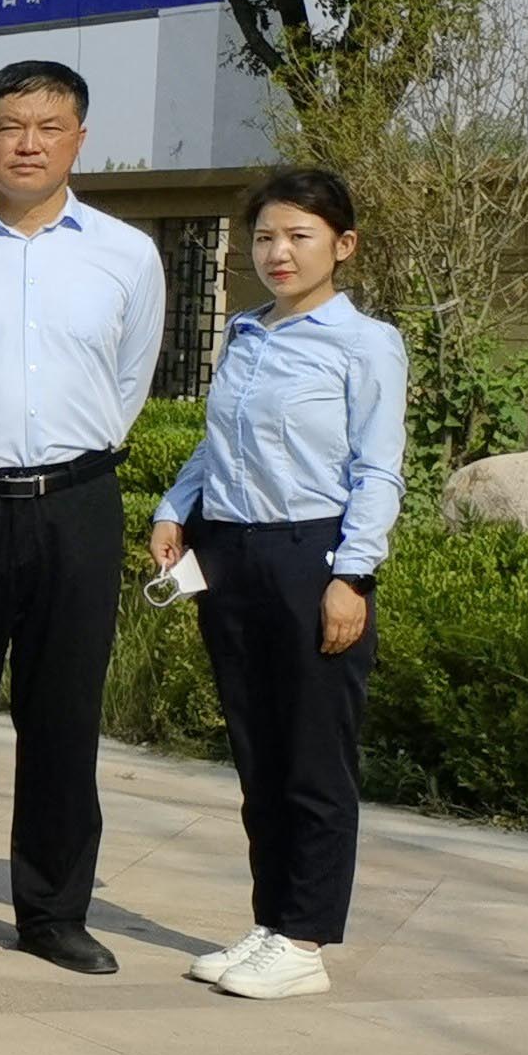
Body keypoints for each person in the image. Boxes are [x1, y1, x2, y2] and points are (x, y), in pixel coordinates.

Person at [0, 60, 169, 973]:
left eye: (50, 127)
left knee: (65, 712)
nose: (28, 143)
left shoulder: (126, 254)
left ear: (79, 139)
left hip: (77, 503)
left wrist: (69, 460)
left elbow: (127, 383)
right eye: (11, 125)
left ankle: (54, 910)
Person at [153, 170, 406, 1003]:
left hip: (313, 555)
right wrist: (174, 507)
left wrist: (352, 574)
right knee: (259, 753)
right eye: (265, 236)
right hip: (230, 554)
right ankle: (272, 921)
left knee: (314, 755)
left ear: (344, 244)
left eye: (299, 235)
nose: (279, 251)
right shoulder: (245, 332)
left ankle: (306, 938)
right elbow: (218, 443)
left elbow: (377, 471)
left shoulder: (365, 343)